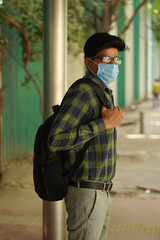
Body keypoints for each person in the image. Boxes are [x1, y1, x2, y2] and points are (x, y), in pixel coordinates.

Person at [48, 32, 126, 240]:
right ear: (89, 63)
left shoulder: (102, 91)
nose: (113, 65)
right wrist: (104, 124)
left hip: (100, 191)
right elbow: (56, 139)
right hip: (86, 192)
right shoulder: (83, 92)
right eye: (106, 59)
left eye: (116, 59)